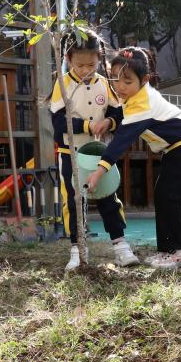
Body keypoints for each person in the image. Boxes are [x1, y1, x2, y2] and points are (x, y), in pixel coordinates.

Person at [85, 46, 181, 270]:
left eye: (127, 81)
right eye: (115, 79)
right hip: (173, 147)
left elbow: (121, 141)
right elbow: (123, 113)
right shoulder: (135, 96)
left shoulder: (143, 104)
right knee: (163, 195)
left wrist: (99, 171)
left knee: (168, 197)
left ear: (144, 80)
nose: (120, 87)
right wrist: (110, 121)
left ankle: (180, 252)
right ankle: (167, 251)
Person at [50, 29, 138, 271]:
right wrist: (87, 126)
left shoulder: (105, 84)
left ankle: (121, 246)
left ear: (100, 59)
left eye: (91, 65)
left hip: (100, 154)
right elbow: (58, 122)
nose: (85, 70)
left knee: (108, 197)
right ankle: (78, 250)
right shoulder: (62, 84)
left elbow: (118, 113)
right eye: (79, 65)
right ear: (67, 59)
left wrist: (109, 122)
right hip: (71, 154)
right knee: (74, 201)